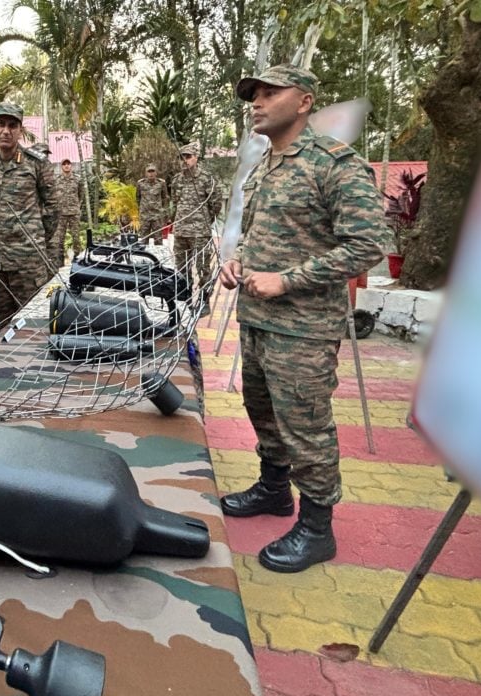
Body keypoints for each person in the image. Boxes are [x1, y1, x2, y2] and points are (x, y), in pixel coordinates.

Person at [218, 65, 388, 573]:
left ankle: (317, 528)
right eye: (254, 94)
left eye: (271, 92)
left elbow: (367, 246)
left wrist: (287, 280)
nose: (257, 102)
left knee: (306, 426)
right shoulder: (264, 166)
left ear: (305, 101)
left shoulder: (335, 164)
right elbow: (256, 234)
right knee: (262, 411)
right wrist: (237, 261)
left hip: (304, 328)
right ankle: (274, 489)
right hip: (258, 319)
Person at [0, 102, 58, 328]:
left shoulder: (36, 163)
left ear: (20, 130)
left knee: (33, 327)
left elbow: (53, 208)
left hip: (27, 262)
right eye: (0, 124)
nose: (6, 131)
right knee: (3, 327)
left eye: (12, 126)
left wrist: (35, 240)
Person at [169, 141, 222, 307]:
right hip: (181, 231)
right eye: (181, 157)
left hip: (200, 232)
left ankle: (204, 301)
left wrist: (205, 220)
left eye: (188, 157)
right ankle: (185, 300)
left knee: (203, 268)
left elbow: (216, 203)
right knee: (181, 268)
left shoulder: (206, 179)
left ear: (196, 157)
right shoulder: (176, 180)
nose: (184, 160)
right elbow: (174, 202)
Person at [53, 158, 85, 260]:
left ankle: (77, 257)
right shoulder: (56, 180)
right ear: (61, 166)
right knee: (60, 238)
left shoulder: (77, 179)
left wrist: (77, 206)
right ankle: (60, 259)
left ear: (71, 166)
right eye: (64, 164)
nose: (66, 166)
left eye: (68, 164)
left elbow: (81, 194)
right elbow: (53, 195)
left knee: (76, 237)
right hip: (61, 213)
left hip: (74, 213)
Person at [136, 163, 169, 245]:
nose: (151, 174)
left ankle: (158, 253)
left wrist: (162, 210)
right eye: (149, 172)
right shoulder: (140, 183)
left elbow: (165, 197)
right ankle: (143, 253)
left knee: (158, 239)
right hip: (144, 215)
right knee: (143, 240)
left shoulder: (161, 183)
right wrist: (142, 209)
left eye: (153, 171)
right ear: (145, 173)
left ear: (156, 173)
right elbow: (138, 197)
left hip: (157, 215)